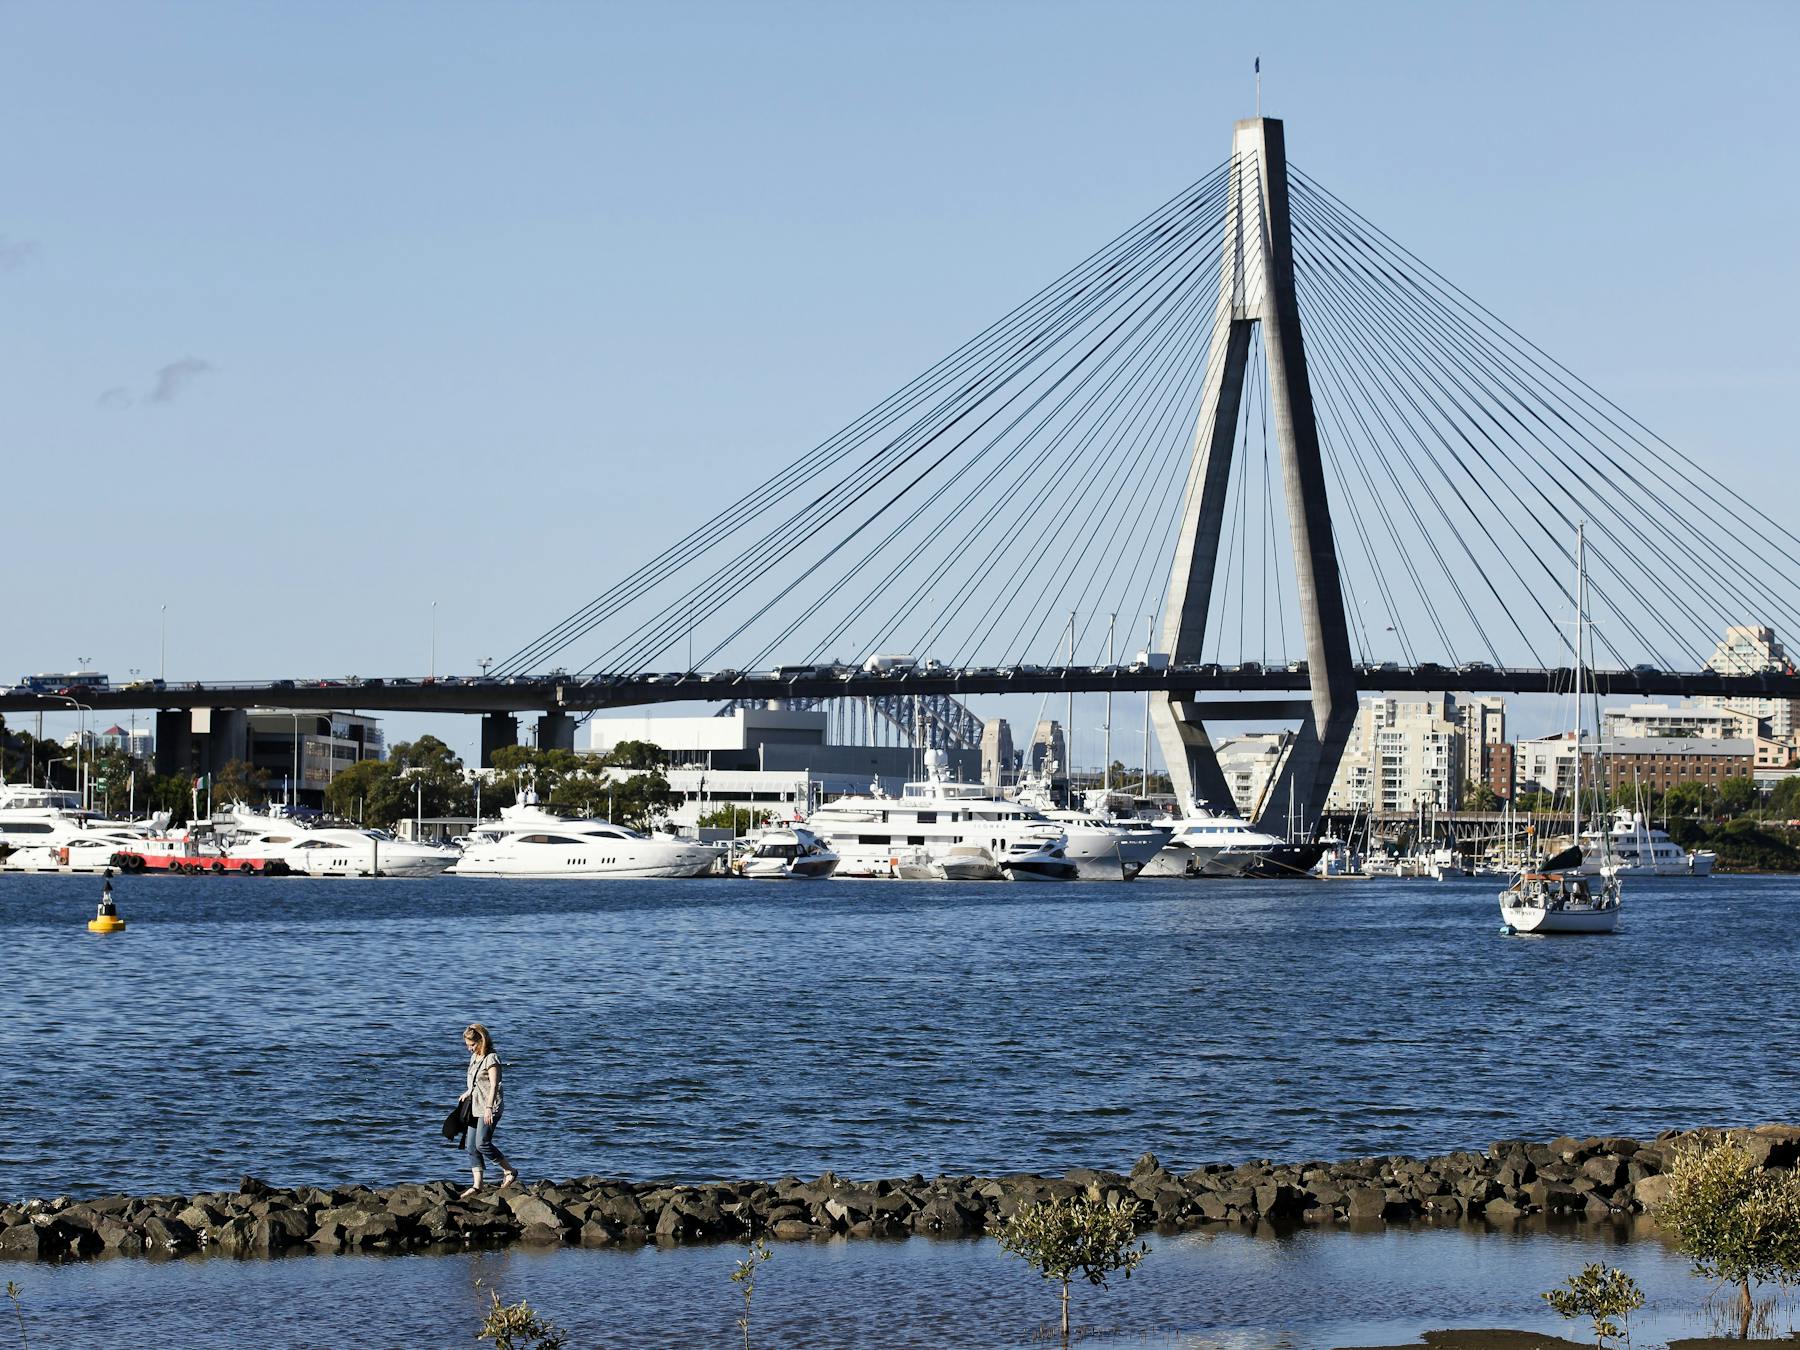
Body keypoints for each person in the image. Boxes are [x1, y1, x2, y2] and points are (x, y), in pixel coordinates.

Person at [458, 1022, 516, 1198]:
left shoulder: (491, 1059)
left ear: (481, 1041)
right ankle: (477, 1185)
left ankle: (509, 1171)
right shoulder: (475, 1057)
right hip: (475, 1106)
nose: (469, 1049)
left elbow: (494, 1086)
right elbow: (477, 1081)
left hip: (490, 1107)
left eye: (472, 1045)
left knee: (482, 1143)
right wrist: (468, 1092)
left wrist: (489, 1108)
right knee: (470, 1146)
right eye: (467, 1045)